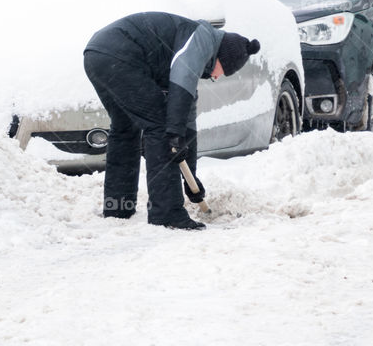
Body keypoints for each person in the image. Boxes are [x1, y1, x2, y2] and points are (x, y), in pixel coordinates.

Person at [83, 12, 260, 231]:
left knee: (125, 128)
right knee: (159, 127)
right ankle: (167, 213)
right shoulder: (201, 39)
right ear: (221, 57)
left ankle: (119, 206)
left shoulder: (189, 47)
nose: (216, 77)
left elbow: (186, 118)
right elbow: (181, 87)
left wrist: (190, 180)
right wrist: (173, 133)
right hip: (120, 56)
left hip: (97, 55)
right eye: (222, 72)